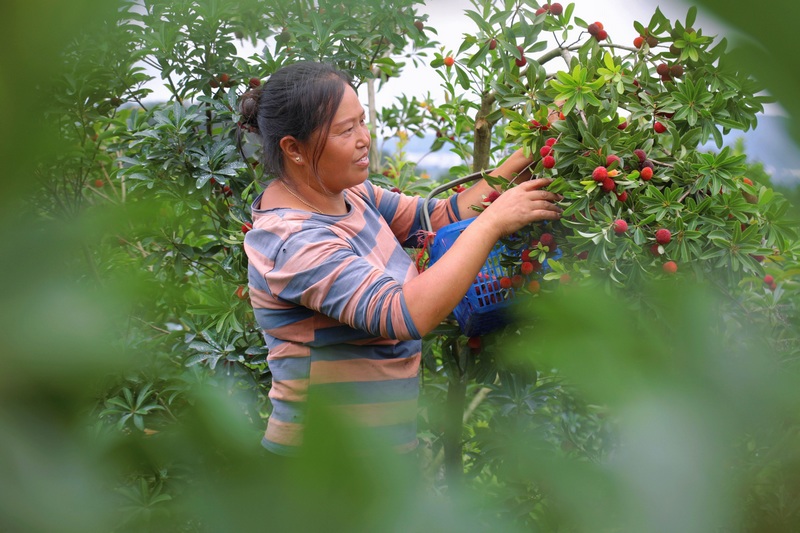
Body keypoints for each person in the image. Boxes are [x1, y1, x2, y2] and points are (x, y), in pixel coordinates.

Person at [238, 61, 562, 458]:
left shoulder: (350, 195)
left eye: (362, 122)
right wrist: (494, 221)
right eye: (345, 130)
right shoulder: (291, 242)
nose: (364, 139)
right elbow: (404, 313)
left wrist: (533, 149)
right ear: (293, 149)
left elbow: (439, 217)